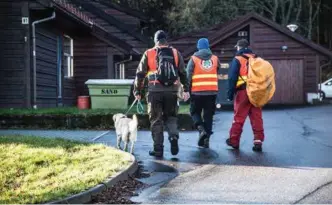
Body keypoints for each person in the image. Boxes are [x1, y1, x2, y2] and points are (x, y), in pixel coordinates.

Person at [133, 30, 190, 158]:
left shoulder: (149, 53)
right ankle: (173, 136)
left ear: (155, 40)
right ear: (166, 40)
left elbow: (140, 74)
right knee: (171, 117)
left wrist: (137, 91)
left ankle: (158, 150)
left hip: (154, 92)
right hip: (172, 91)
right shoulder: (175, 53)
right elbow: (183, 73)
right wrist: (186, 89)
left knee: (156, 120)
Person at [226, 39, 264, 152]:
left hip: (243, 92)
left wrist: (230, 94)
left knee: (239, 117)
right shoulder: (257, 59)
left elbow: (232, 78)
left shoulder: (237, 59)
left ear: (239, 47)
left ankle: (234, 141)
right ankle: (258, 141)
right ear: (248, 47)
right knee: (257, 117)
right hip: (256, 92)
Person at [186, 38, 221, 148]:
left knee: (194, 112)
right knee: (208, 116)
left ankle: (201, 130)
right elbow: (217, 70)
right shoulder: (215, 59)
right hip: (211, 92)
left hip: (197, 92)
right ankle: (206, 141)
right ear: (208, 46)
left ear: (198, 47)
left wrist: (187, 89)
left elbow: (188, 76)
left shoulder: (194, 59)